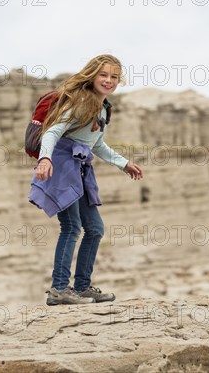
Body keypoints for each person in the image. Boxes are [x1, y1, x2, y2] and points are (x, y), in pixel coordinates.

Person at [28, 54, 143, 305]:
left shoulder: (102, 107)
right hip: (62, 165)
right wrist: (44, 159)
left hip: (80, 169)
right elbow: (52, 132)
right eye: (103, 75)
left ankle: (81, 288)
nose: (108, 80)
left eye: (114, 76)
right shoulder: (82, 102)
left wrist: (124, 164)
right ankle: (59, 289)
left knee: (95, 229)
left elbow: (96, 143)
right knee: (71, 227)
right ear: (92, 75)